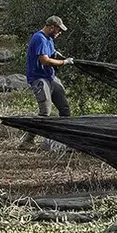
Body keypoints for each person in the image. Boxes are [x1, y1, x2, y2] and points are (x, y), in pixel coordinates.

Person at [20, 15, 75, 149]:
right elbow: (44, 60)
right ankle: (27, 141)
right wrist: (63, 62)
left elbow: (51, 53)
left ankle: (65, 139)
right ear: (51, 27)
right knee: (45, 112)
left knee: (64, 109)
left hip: (50, 77)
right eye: (58, 29)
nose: (60, 32)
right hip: (39, 79)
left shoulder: (49, 39)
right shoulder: (39, 38)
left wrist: (58, 55)